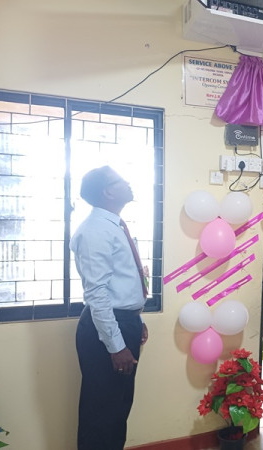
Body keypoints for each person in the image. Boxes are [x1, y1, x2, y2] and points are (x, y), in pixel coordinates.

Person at [71, 166, 149, 450]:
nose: (127, 182)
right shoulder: (95, 230)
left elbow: (119, 284)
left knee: (117, 410)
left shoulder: (114, 225)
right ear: (108, 192)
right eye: (119, 180)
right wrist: (116, 346)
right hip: (105, 329)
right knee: (100, 415)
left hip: (122, 322)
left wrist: (135, 320)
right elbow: (97, 294)